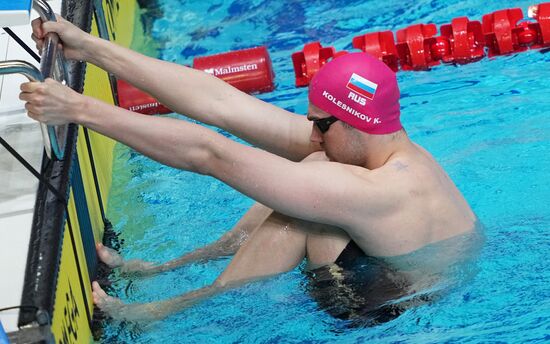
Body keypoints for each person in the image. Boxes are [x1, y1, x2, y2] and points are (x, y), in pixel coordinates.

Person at [22, 15, 482, 324]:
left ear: (352, 120)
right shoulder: (377, 144)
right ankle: (169, 267)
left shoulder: (379, 189)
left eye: (320, 124)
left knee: (305, 200)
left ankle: (170, 309)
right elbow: (220, 103)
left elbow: (211, 153)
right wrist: (90, 48)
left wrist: (81, 110)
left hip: (389, 311)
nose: (313, 133)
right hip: (390, 266)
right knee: (309, 171)